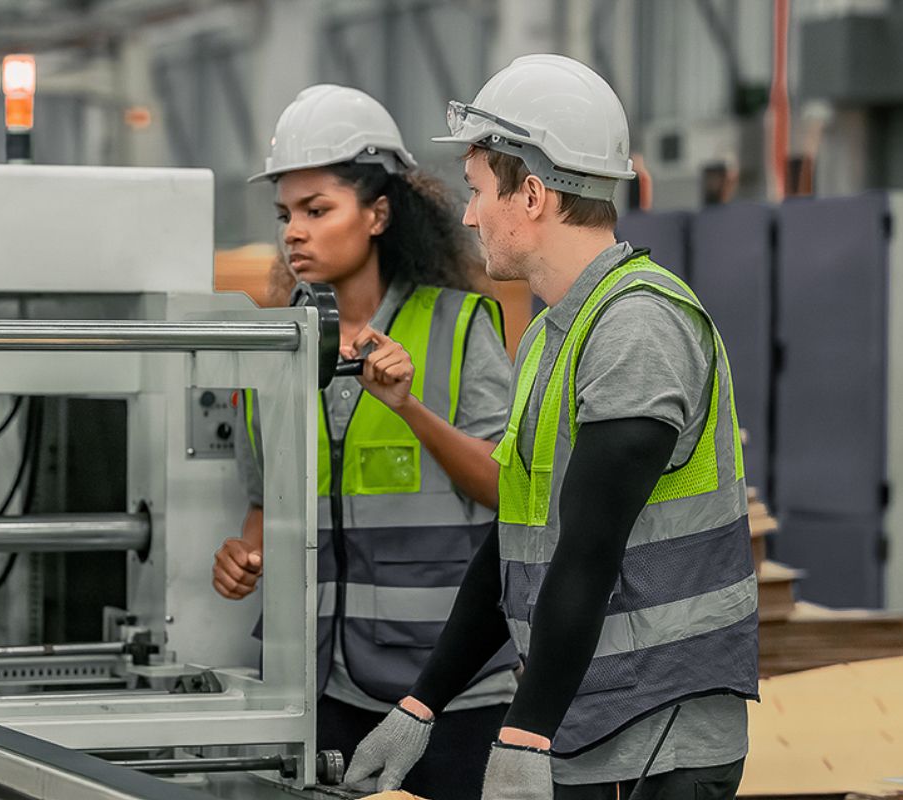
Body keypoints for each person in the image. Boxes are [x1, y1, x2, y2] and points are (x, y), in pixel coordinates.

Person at [343, 55, 759, 800]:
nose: (468, 216)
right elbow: (515, 541)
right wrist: (421, 704)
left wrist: (523, 731)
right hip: (589, 722)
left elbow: (589, 550)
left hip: (659, 736)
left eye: (477, 192)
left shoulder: (636, 328)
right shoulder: (550, 334)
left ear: (531, 194)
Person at [211, 84, 519, 799]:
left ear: (378, 213)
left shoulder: (457, 327)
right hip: (320, 686)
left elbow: (505, 486)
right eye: (287, 214)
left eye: (318, 211)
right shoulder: (272, 349)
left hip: (449, 689)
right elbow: (268, 504)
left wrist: (410, 408)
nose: (294, 232)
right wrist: (245, 553)